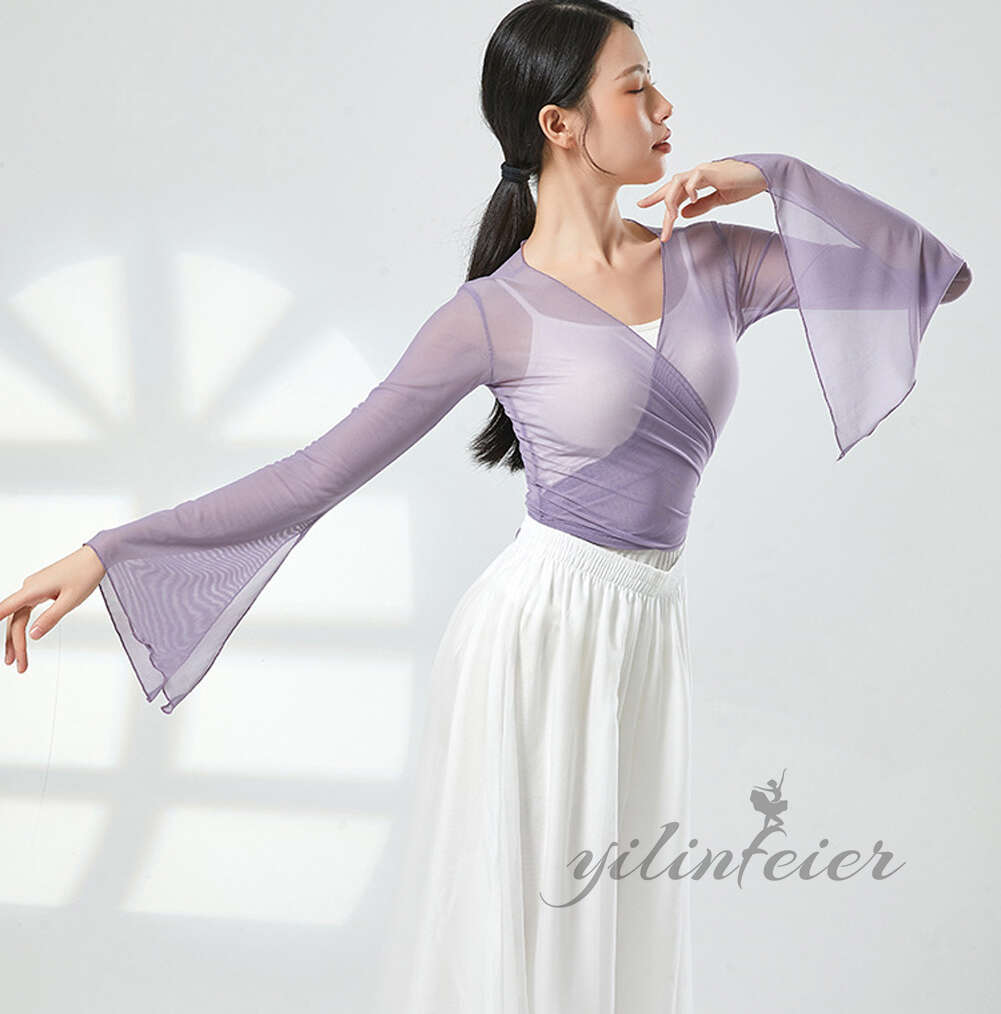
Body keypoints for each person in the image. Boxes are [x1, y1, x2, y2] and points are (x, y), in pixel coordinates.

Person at [0, 2, 971, 1011]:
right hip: (536, 638)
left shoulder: (715, 261)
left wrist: (773, 175)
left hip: (646, 633)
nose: (664, 107)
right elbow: (316, 473)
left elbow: (931, 277)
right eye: (635, 86)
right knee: (523, 942)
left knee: (618, 935)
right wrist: (108, 551)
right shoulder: (490, 314)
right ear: (560, 124)